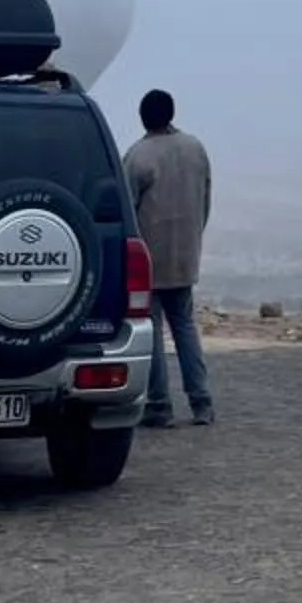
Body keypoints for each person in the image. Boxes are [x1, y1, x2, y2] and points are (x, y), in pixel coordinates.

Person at [124, 87, 214, 427]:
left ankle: (159, 405)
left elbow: (127, 211)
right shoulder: (195, 149)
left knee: (152, 329)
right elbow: (205, 201)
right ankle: (201, 402)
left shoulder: (138, 156)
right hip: (185, 254)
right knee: (185, 327)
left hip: (149, 260)